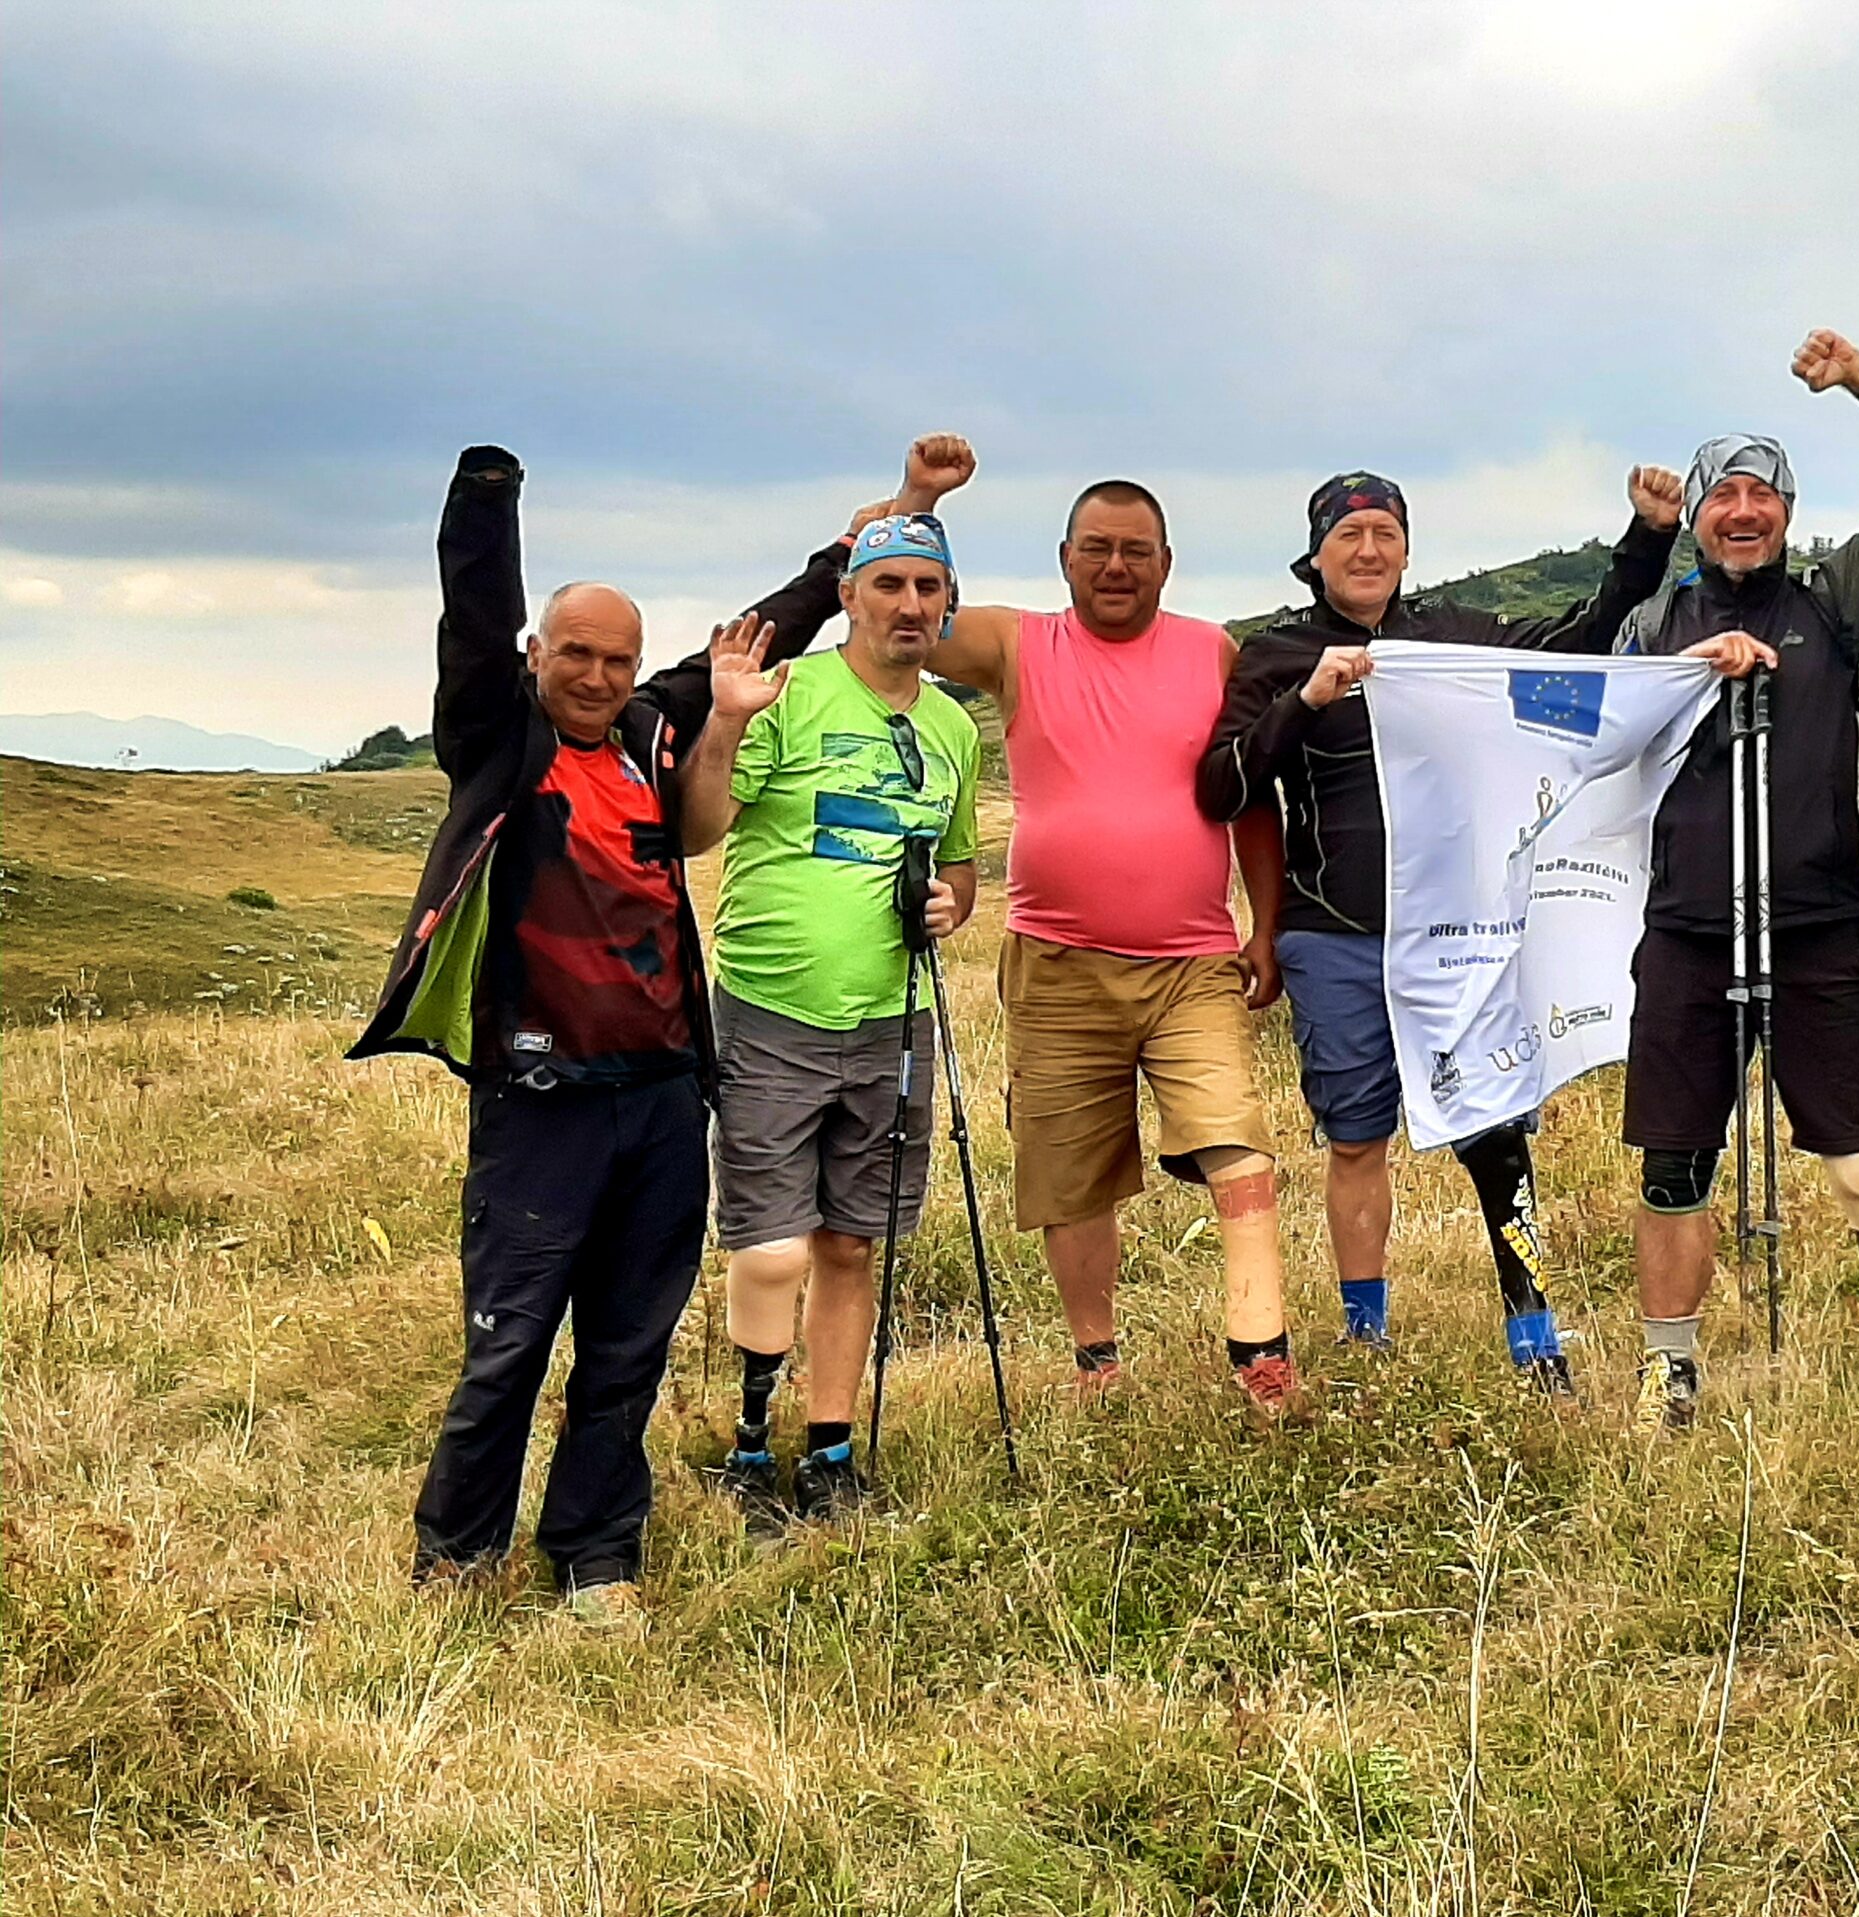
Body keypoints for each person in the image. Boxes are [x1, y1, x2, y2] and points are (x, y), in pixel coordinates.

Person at [350, 445, 850, 1624]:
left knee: (628, 1349)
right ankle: (457, 1558)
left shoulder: (646, 733)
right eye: (573, 653)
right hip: (541, 1102)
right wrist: (487, 501)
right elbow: (473, 625)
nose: (595, 674)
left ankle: (597, 1554)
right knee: (511, 1344)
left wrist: (855, 547)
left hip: (665, 1094)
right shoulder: (501, 739)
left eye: (616, 658)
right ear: (538, 656)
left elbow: (755, 639)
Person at [777, 436, 1304, 1418]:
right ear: (1064, 558)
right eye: (1096, 548)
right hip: (1057, 962)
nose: (1115, 566)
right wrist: (918, 497)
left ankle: (1261, 1353)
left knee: (1238, 1145)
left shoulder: (1212, 652)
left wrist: (1265, 926)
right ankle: (1097, 1363)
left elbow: (1247, 795)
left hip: (1191, 961)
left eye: (1136, 550)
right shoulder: (1018, 643)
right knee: (1072, 1178)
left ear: (1167, 562)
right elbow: (903, 614)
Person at [1195, 464, 1686, 1390]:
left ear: (1408, 550)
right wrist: (1306, 703)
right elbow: (1220, 785)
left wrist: (1648, 539)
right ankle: (1366, 1331)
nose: (1367, 550)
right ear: (1316, 555)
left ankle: (1535, 1336)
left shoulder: (1452, 639)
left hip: (1460, 939)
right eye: (1348, 536)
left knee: (1497, 1131)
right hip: (1334, 934)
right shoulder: (1278, 653)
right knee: (1355, 1137)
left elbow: (1573, 646)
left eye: (1385, 534)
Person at [1613, 331, 1859, 1434]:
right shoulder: (1651, 625)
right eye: (1722, 495)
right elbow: (1595, 734)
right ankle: (1670, 1374)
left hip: (1817, 925)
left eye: (1761, 494)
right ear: (1697, 517)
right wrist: (1690, 670)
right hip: (1686, 929)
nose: (1742, 511)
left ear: (1786, 511)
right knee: (1673, 1165)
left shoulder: (1834, 602)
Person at [676, 513, 981, 1521]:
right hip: (771, 1009)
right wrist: (725, 721)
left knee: (853, 1242)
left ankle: (831, 1452)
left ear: (947, 603)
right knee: (771, 1247)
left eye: (927, 588)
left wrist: (952, 906)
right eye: (888, 584)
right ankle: (750, 1446)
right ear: (849, 596)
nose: (909, 605)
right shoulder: (789, 694)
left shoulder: (952, 729)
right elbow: (698, 828)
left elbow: (961, 867)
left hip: (896, 1021)